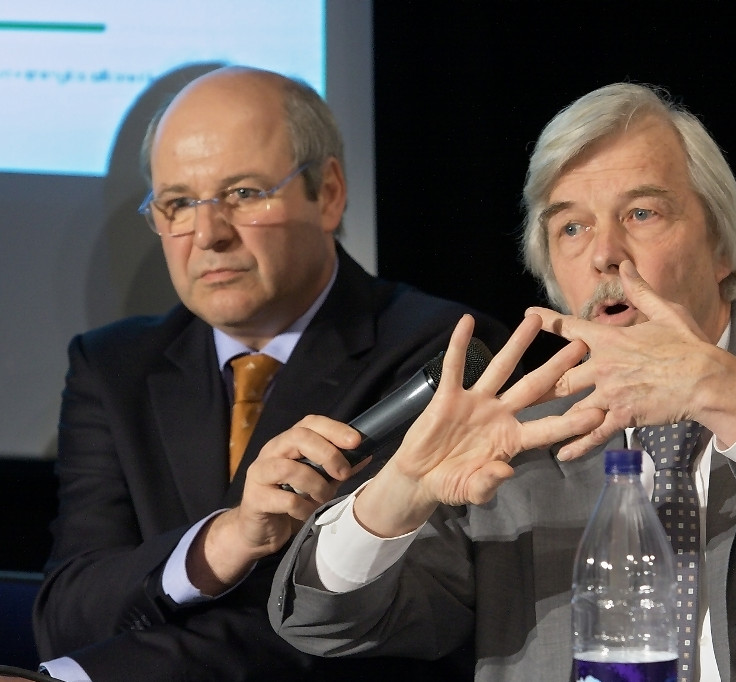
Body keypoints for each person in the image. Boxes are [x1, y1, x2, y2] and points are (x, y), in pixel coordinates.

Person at [269, 83, 736, 681]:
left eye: (641, 213)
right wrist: (400, 492)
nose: (605, 253)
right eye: (571, 229)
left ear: (721, 246)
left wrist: (727, 392)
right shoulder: (522, 435)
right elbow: (324, 623)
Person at [22, 66, 510, 682]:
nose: (209, 234)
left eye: (244, 193)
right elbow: (67, 614)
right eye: (179, 203)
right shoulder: (114, 368)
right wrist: (222, 542)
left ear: (327, 193)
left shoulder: (440, 354)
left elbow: (330, 631)